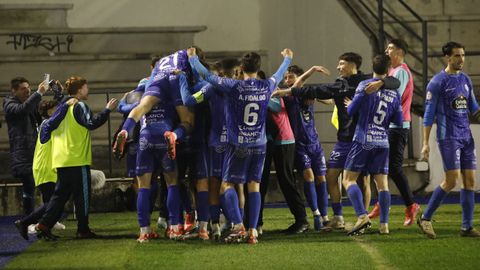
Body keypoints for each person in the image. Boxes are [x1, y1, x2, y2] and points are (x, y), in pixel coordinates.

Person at [272, 53, 400, 230]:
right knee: (332, 177)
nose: (338, 67)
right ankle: (339, 217)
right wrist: (288, 91)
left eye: (342, 64)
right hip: (345, 139)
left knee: (363, 181)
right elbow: (314, 90)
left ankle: (361, 216)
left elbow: (394, 82)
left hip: (361, 139)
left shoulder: (366, 81)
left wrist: (381, 82)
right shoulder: (341, 84)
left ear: (353, 64)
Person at [188, 47, 292, 244]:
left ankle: (238, 226)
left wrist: (193, 59)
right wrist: (287, 59)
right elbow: (278, 75)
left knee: (226, 185)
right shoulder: (267, 85)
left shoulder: (233, 86)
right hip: (260, 144)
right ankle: (253, 231)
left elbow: (205, 76)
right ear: (258, 67)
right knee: (254, 185)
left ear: (241, 67)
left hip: (238, 145)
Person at [35, 76, 118, 240]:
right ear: (79, 89)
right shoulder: (79, 105)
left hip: (61, 158)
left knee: (60, 197)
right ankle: (83, 229)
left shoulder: (62, 106)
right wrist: (107, 109)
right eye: (86, 87)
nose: (88, 90)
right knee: (82, 196)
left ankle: (43, 225)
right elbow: (92, 123)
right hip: (77, 158)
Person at [418, 41, 480, 239]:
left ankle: (466, 227)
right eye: (457, 56)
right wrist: (425, 143)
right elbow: (428, 115)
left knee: (470, 181)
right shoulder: (437, 82)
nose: (461, 59)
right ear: (447, 57)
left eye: (463, 55)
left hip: (466, 137)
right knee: (451, 180)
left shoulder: (465, 80)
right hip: (448, 137)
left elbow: (474, 107)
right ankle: (425, 217)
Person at [342, 54, 403, 235]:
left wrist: (353, 103)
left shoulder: (365, 85)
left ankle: (362, 216)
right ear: (389, 68)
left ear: (372, 67)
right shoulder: (394, 92)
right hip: (382, 141)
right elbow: (398, 121)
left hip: (363, 139)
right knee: (382, 185)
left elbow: (351, 111)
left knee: (348, 179)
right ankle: (384, 225)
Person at [368, 39, 421, 226]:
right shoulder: (392, 71)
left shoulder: (401, 72)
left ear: (399, 52)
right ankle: (383, 203)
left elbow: (392, 96)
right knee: (383, 167)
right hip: (390, 127)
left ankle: (410, 205)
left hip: (398, 127)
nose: (386, 50)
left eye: (390, 48)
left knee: (393, 167)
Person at [14, 99, 74, 240]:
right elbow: (59, 116)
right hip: (44, 168)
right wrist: (66, 104)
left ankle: (44, 230)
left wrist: (62, 97)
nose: (58, 110)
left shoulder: (48, 125)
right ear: (48, 112)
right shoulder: (47, 123)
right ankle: (25, 222)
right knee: (52, 203)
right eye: (55, 108)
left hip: (47, 168)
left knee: (54, 204)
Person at [3, 77, 48, 214]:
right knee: (29, 187)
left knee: (47, 185)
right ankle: (28, 221)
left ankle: (48, 218)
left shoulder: (31, 103)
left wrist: (56, 95)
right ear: (14, 91)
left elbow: (43, 114)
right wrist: (38, 93)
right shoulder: (9, 104)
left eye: (28, 87)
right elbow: (22, 110)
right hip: (23, 153)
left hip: (36, 151)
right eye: (23, 88)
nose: (27, 90)